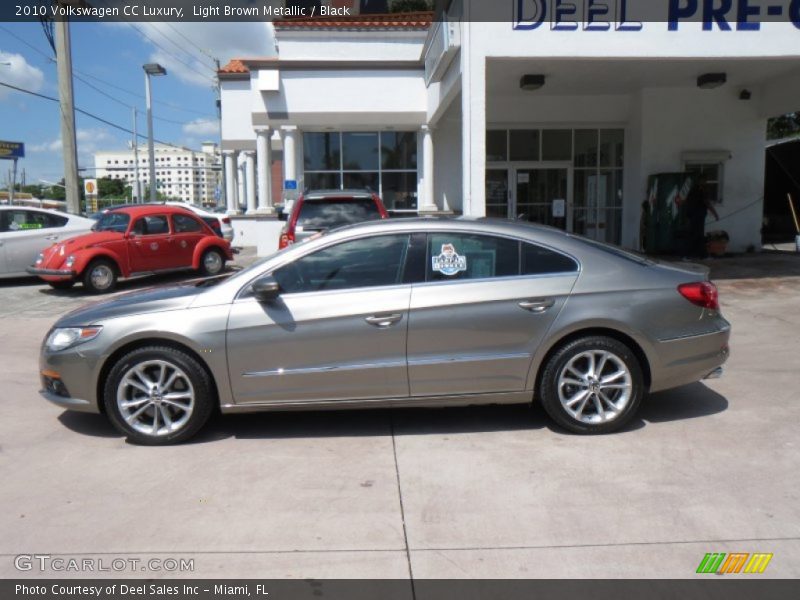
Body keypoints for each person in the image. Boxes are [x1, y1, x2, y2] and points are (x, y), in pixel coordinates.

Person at [685, 175, 719, 258]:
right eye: (704, 181)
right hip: (698, 215)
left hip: (694, 215)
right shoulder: (700, 190)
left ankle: (692, 255)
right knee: (698, 235)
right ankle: (698, 255)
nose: (705, 182)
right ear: (701, 181)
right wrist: (715, 214)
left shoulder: (694, 189)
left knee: (694, 235)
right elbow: (707, 203)